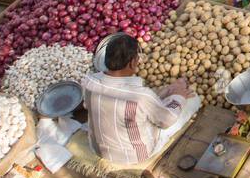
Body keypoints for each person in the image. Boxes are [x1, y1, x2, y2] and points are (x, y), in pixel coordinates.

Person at [82, 33, 196, 166]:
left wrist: (169, 91)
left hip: (98, 149)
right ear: (132, 63)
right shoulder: (141, 96)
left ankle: (172, 91)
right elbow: (167, 120)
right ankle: (182, 96)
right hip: (135, 155)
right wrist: (179, 96)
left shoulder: (88, 81)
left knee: (148, 107)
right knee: (192, 101)